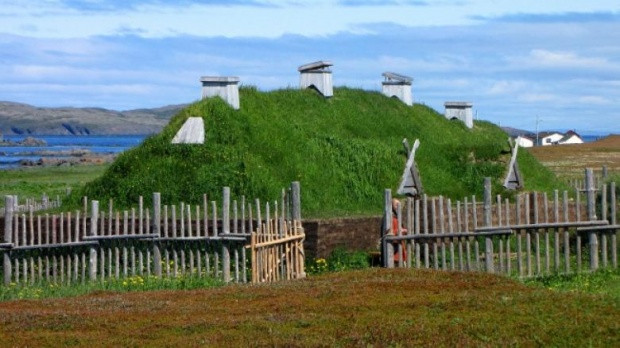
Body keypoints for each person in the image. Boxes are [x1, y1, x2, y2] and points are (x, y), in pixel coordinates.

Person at [380, 198, 407, 266]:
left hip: (400, 249)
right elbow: (387, 233)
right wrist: (397, 231)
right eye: (396, 205)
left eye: (399, 205)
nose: (398, 207)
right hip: (392, 251)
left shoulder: (397, 217)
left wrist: (404, 230)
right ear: (392, 206)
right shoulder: (388, 218)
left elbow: (402, 229)